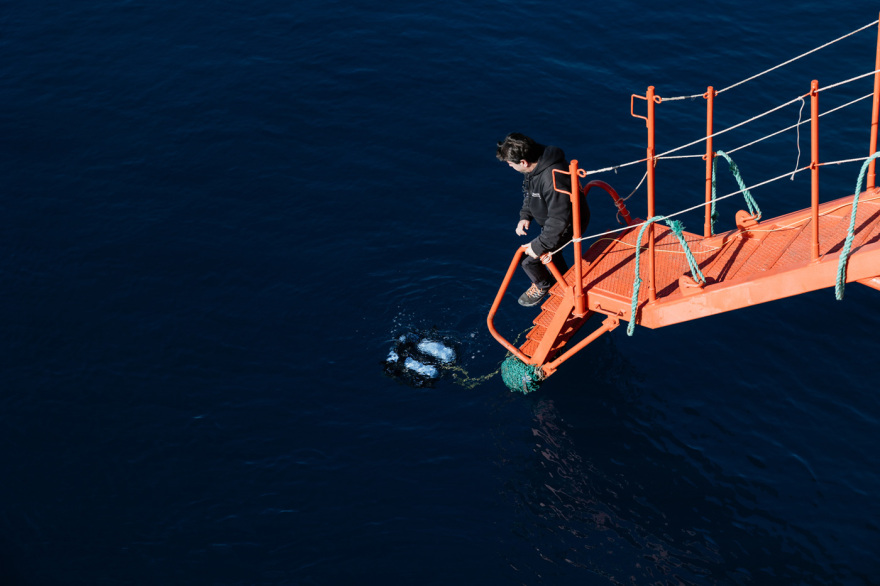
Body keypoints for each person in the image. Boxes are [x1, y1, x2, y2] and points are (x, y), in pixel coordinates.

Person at [496, 132, 589, 307]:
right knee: (554, 254)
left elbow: (560, 219)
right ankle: (566, 285)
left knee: (528, 261)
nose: (509, 166)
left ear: (523, 162)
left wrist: (539, 246)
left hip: (567, 225)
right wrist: (526, 215)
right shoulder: (535, 165)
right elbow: (530, 193)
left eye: (510, 164)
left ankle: (543, 285)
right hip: (553, 222)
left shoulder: (551, 179)